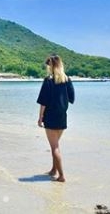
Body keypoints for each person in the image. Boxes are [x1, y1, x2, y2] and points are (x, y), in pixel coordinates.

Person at [37, 54, 75, 182]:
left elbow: (43, 101)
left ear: (51, 66)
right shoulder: (67, 79)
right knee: (56, 145)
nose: (47, 68)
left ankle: (62, 176)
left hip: (50, 117)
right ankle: (54, 170)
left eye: (48, 66)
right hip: (62, 116)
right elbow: (72, 99)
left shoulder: (48, 80)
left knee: (55, 148)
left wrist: (40, 117)